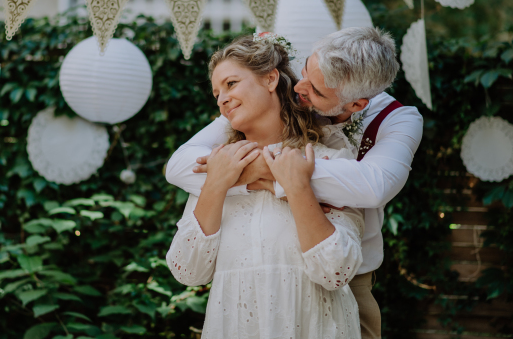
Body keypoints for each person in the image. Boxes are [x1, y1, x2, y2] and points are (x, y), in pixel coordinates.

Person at [166, 27, 424, 339]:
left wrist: (282, 175)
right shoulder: (232, 144)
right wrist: (226, 177)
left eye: (315, 91)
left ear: (356, 104)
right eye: (304, 72)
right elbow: (179, 165)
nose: (299, 90)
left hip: (342, 288)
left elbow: (374, 187)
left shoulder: (391, 123)